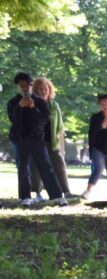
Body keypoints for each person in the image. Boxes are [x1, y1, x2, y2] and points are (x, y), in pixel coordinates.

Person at [7, 71, 66, 206]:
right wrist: (20, 107)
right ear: (18, 87)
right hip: (19, 139)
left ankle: (57, 196)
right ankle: (25, 197)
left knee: (46, 167)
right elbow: (13, 120)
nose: (24, 88)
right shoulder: (13, 102)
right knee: (23, 168)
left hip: (37, 139)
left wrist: (33, 108)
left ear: (31, 85)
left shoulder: (40, 102)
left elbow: (43, 120)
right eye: (22, 86)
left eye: (27, 85)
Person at [29, 77, 72, 199]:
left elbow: (60, 128)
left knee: (59, 165)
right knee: (36, 167)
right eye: (40, 89)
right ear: (36, 91)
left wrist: (62, 148)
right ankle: (37, 193)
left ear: (49, 90)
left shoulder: (54, 106)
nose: (43, 91)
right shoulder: (33, 104)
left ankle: (66, 191)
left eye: (45, 89)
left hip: (52, 141)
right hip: (37, 141)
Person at [85, 93, 107, 202]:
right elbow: (91, 134)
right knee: (98, 168)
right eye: (102, 103)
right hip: (98, 147)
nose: (105, 105)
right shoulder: (96, 117)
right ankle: (88, 191)